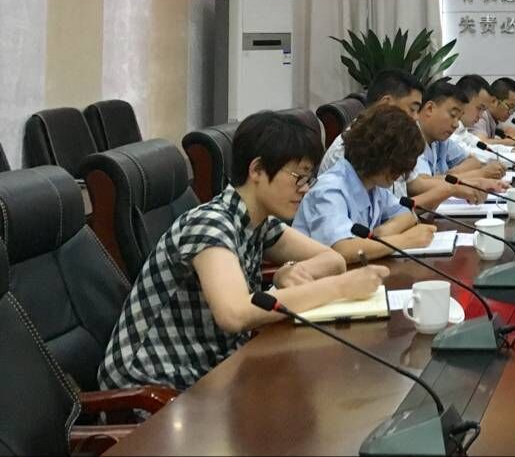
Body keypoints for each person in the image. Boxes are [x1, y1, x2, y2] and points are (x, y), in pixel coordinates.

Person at [98, 111, 388, 391]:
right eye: (297, 177)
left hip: (212, 369)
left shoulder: (259, 222)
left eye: (308, 179)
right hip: (156, 384)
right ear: (257, 170)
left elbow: (333, 259)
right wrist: (339, 288)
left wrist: (290, 271)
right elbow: (234, 314)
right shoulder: (210, 225)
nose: (305, 189)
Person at [293, 104, 438, 263]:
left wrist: (381, 234)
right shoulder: (329, 190)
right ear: (377, 153)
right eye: (398, 162)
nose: (401, 172)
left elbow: (406, 214)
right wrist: (405, 240)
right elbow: (342, 250)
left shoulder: (373, 185)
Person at [319, 68, 424, 175]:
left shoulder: (390, 138)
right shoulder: (350, 150)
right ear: (385, 104)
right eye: (412, 109)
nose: (416, 117)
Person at [455, 74, 515, 165]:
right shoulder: (451, 132)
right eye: (479, 108)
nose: (480, 115)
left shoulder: (461, 130)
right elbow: (468, 154)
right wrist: (513, 157)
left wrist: (511, 151)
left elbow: (480, 145)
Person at [470, 76, 515, 146]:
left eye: (514, 109)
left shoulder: (494, 118)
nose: (511, 113)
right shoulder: (480, 116)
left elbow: (509, 129)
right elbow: (482, 143)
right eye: (510, 107)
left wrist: (514, 138)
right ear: (493, 101)